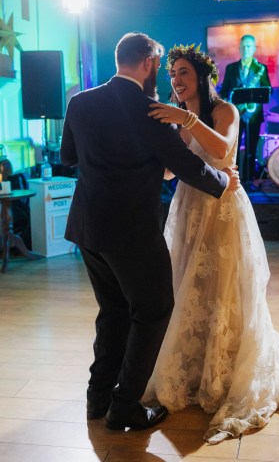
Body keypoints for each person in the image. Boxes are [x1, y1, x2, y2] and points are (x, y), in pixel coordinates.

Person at [145, 44, 279, 443]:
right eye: (172, 74)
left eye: (183, 74)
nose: (176, 80)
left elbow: (224, 150)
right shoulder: (173, 121)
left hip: (224, 206)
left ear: (202, 77)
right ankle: (193, 363)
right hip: (189, 207)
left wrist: (187, 119)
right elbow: (165, 174)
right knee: (187, 285)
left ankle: (227, 364)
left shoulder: (225, 110)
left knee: (226, 283)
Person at [60, 32, 240, 432]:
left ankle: (98, 398)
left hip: (88, 228)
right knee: (153, 309)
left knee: (113, 310)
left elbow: (68, 157)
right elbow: (188, 167)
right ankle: (124, 405)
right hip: (132, 231)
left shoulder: (80, 102)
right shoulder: (152, 111)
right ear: (148, 63)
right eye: (160, 65)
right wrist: (225, 182)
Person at [219, 35, 272, 182]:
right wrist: (228, 100)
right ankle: (232, 180)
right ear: (239, 48)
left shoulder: (261, 68)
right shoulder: (231, 68)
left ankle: (248, 181)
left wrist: (255, 95)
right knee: (233, 150)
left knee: (251, 149)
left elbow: (269, 90)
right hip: (235, 114)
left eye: (249, 46)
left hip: (254, 114)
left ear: (254, 49)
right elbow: (224, 91)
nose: (246, 49)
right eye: (243, 46)